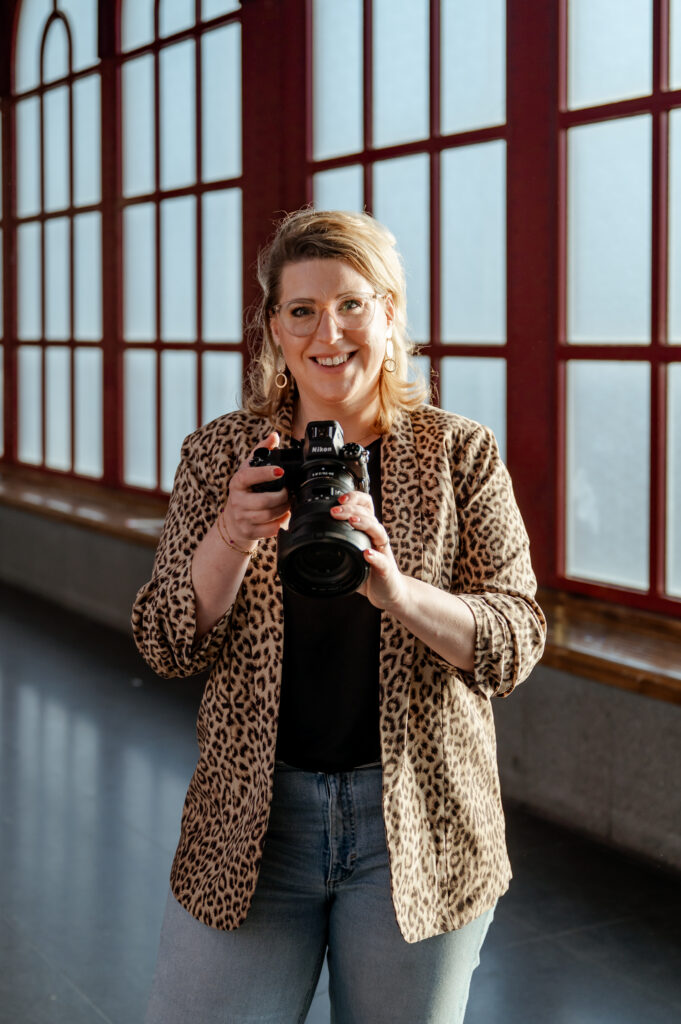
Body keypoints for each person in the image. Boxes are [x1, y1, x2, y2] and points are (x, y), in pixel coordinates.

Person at [133, 208, 546, 1024]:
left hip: (421, 829)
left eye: (353, 304)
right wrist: (231, 533)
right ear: (274, 331)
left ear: (390, 317)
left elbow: (514, 641)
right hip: (250, 820)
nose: (330, 330)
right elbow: (165, 642)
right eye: (302, 309)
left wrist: (394, 589)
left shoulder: (459, 452)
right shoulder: (224, 455)